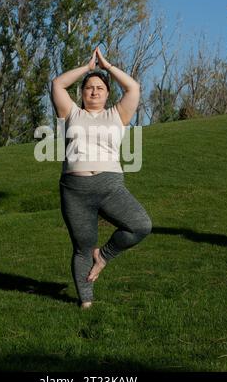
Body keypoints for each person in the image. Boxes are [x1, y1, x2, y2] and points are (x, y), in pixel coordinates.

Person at [51, 46, 152, 309]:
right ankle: (86, 302)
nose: (94, 91)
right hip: (75, 190)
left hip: (110, 187)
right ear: (82, 93)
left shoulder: (117, 115)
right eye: (89, 87)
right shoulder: (71, 113)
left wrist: (106, 67)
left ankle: (104, 256)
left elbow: (133, 89)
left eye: (100, 88)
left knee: (141, 225)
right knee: (82, 247)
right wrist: (87, 68)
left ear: (107, 94)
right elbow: (58, 84)